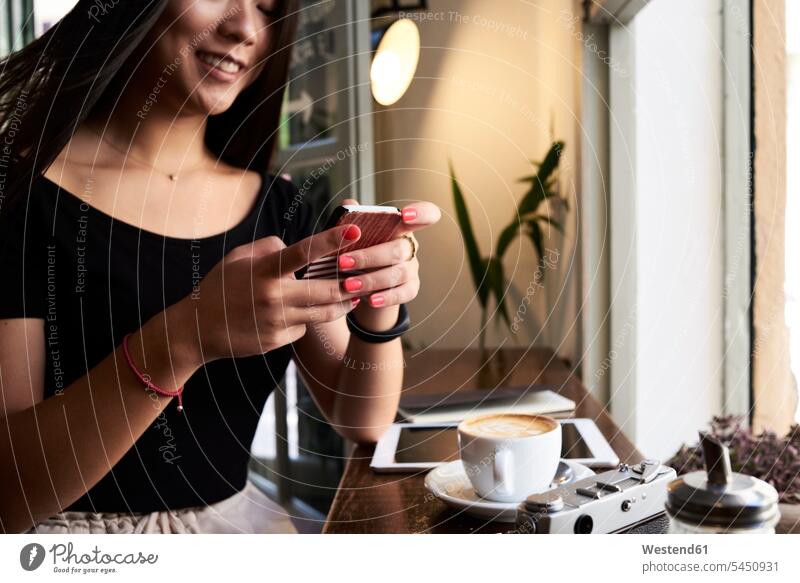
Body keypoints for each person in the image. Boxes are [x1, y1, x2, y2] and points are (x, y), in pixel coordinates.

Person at [0, 0, 439, 534]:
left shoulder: (279, 209)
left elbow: (362, 421)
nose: (246, 28)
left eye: (266, 7)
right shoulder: (20, 195)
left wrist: (380, 297)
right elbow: (10, 490)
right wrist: (186, 336)